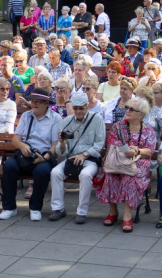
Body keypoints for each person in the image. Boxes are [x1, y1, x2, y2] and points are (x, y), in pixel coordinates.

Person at [0, 88, 61, 221]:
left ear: (46, 103)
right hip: (24, 155)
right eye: (33, 101)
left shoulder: (55, 118)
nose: (34, 104)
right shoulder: (27, 116)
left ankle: (35, 208)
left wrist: (44, 158)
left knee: (42, 172)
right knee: (8, 166)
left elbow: (56, 145)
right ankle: (9, 208)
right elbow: (16, 138)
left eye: (38, 102)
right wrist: (22, 145)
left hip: (43, 156)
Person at [97, 96, 156, 232]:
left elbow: (150, 151)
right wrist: (127, 149)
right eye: (127, 108)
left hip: (138, 162)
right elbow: (111, 142)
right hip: (119, 160)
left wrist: (137, 150)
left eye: (131, 109)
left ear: (140, 114)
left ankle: (127, 215)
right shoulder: (119, 126)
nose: (127, 110)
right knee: (110, 174)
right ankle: (113, 212)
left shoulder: (148, 131)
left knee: (129, 177)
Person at [50, 92, 105, 224]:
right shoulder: (66, 122)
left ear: (87, 106)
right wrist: (62, 143)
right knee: (55, 172)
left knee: (85, 175)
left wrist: (84, 154)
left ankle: (81, 211)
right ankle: (58, 209)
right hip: (72, 159)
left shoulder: (96, 119)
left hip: (90, 159)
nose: (78, 111)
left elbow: (99, 144)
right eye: (75, 108)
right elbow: (62, 152)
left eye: (81, 108)